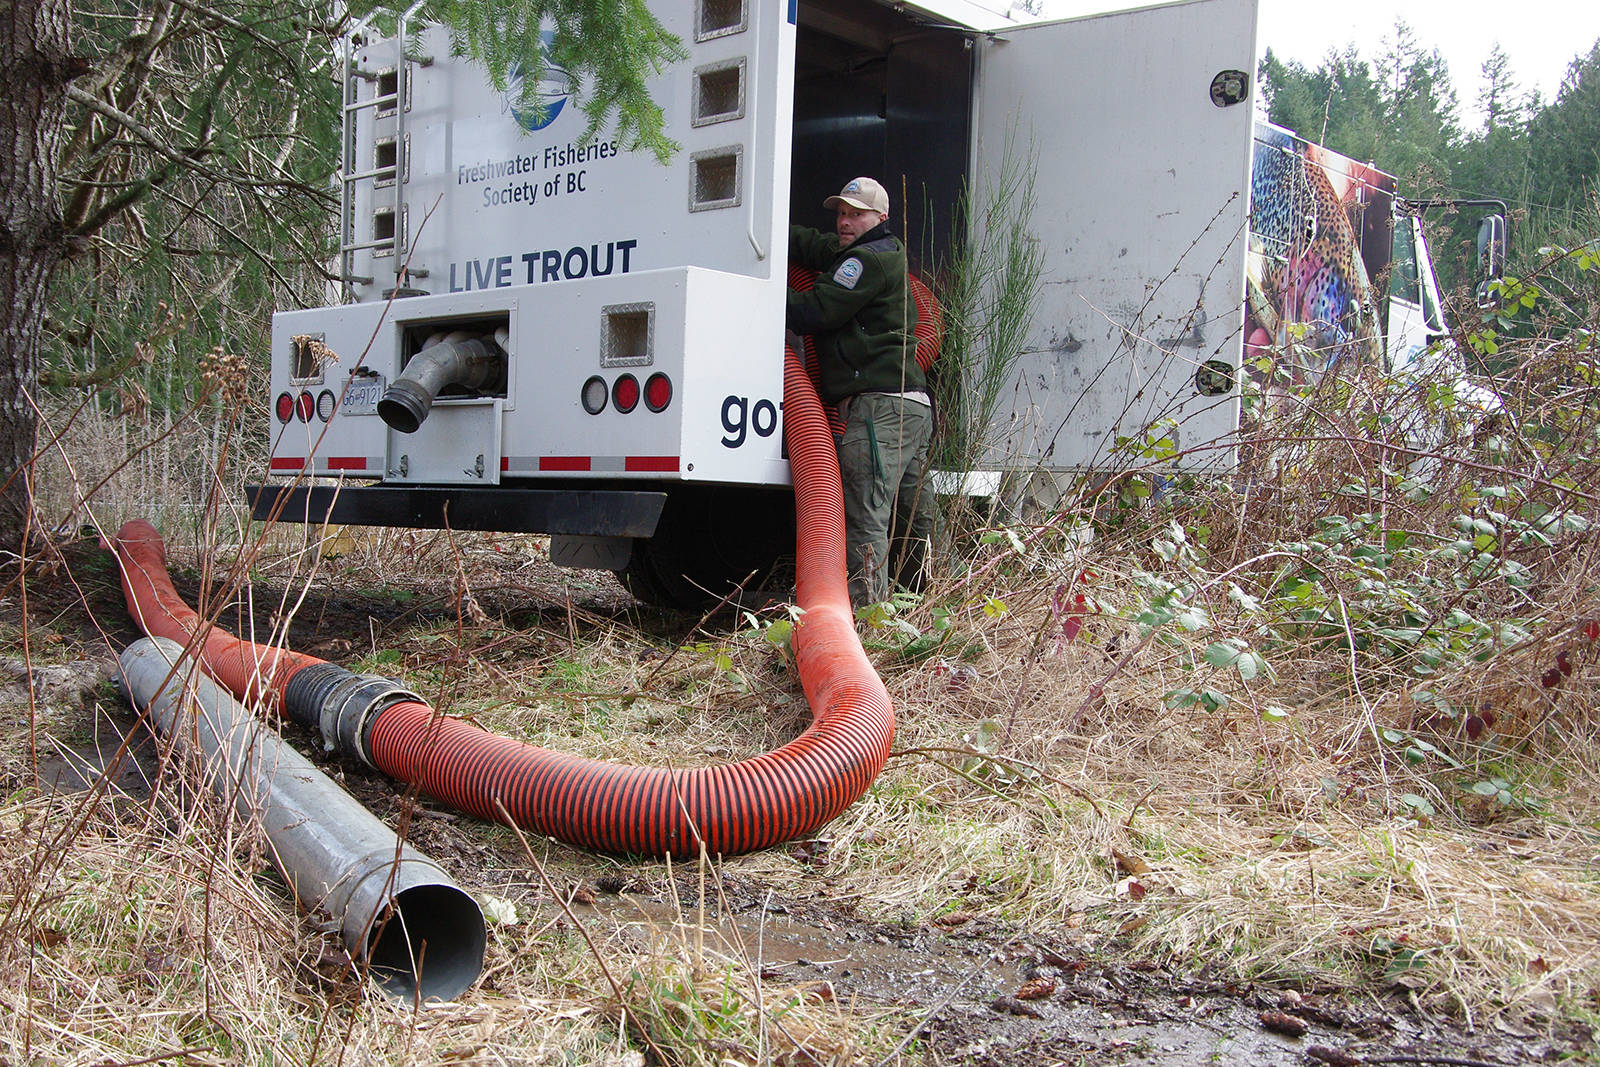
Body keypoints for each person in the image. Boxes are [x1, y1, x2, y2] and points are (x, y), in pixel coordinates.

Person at [787, 176, 936, 607]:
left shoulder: (868, 261)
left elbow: (819, 309)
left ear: (881, 217)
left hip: (879, 409)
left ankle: (869, 621)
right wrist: (769, 225)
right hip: (909, 404)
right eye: (841, 212)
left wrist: (761, 295)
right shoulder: (870, 252)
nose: (845, 221)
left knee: (867, 515)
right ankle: (929, 608)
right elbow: (818, 246)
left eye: (857, 213)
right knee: (913, 518)